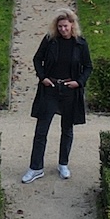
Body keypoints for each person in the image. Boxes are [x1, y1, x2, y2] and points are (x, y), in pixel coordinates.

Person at [24, 10, 92, 183]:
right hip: (51, 88)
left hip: (70, 89)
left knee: (67, 129)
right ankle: (35, 167)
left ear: (72, 26)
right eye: (60, 26)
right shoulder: (50, 41)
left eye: (65, 26)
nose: (62, 29)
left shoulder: (80, 44)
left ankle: (63, 163)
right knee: (41, 130)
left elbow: (88, 67)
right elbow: (37, 59)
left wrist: (79, 82)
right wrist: (43, 78)